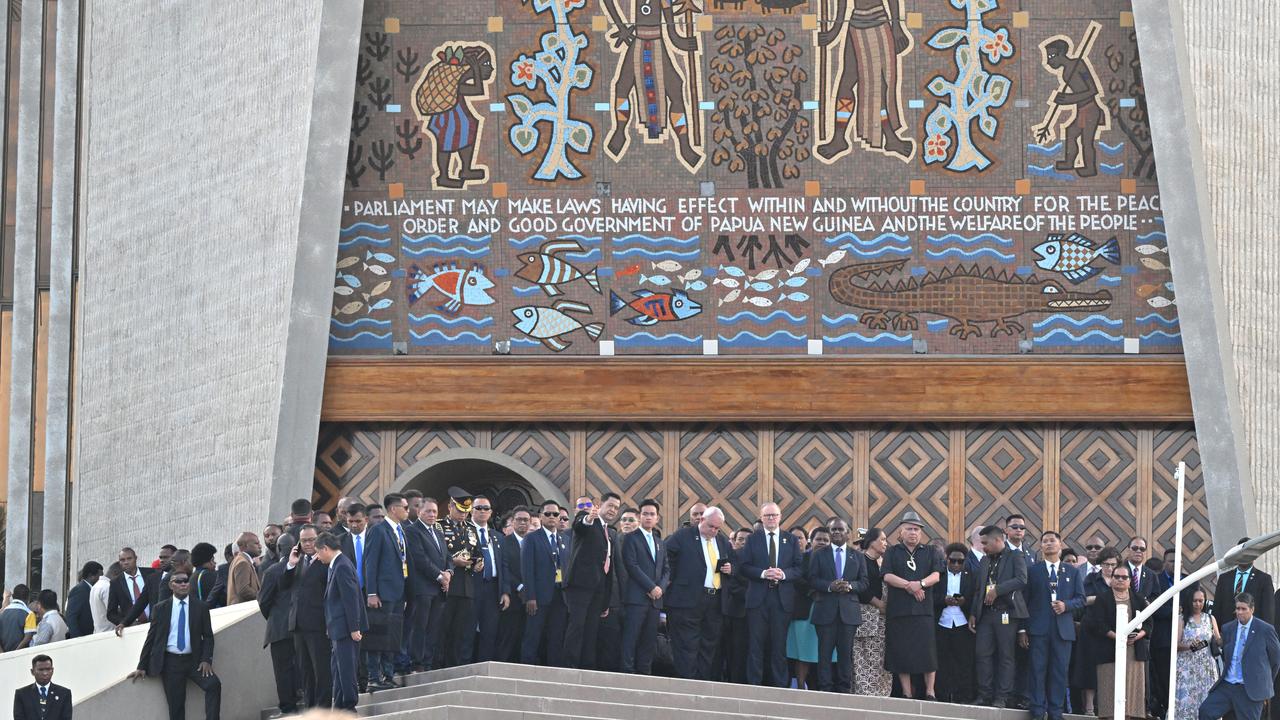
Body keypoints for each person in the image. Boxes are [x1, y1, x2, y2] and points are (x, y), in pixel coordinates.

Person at [127, 572, 221, 720]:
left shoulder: (200, 607)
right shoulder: (160, 608)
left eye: (186, 581)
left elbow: (208, 636)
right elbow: (151, 638)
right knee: (176, 707)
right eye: (179, 581)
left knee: (213, 685)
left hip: (195, 661)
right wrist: (142, 665)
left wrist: (206, 659)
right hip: (171, 663)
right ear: (171, 585)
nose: (183, 584)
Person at [665, 505, 733, 680]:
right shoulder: (682, 536)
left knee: (709, 644)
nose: (714, 531)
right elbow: (666, 560)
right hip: (687, 600)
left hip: (714, 601)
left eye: (717, 528)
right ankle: (687, 682)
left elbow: (734, 562)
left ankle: (702, 682)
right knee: (686, 644)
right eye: (711, 526)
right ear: (702, 519)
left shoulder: (722, 541)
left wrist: (730, 569)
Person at [1024, 531, 1086, 720]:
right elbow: (1025, 601)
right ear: (1041, 546)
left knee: (1059, 672)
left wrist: (1066, 605)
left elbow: (1081, 599)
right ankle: (1037, 710)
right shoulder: (1033, 571)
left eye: (1052, 540)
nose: (1049, 543)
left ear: (1060, 544)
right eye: (1045, 541)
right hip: (1038, 629)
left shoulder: (1072, 571)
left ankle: (1056, 712)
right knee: (1037, 670)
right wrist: (1023, 629)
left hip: (1063, 631)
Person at [741, 502, 803, 687]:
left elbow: (799, 568)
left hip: (781, 599)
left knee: (779, 645)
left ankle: (780, 686)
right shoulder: (753, 539)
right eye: (767, 515)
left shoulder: (790, 539)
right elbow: (744, 566)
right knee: (755, 645)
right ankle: (754, 684)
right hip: (758, 599)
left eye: (774, 515)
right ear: (761, 518)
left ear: (780, 517)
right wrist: (763, 573)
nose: (771, 518)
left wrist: (783, 574)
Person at [884, 511, 943, 700]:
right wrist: (909, 586)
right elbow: (887, 576)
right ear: (901, 532)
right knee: (902, 652)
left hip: (923, 611)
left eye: (916, 529)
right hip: (899, 611)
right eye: (909, 529)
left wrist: (921, 584)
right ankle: (907, 692)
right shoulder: (892, 552)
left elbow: (936, 575)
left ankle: (930, 691)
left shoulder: (931, 551)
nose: (913, 533)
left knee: (927, 652)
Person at [970, 524, 1028, 708]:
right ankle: (984, 695)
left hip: (1006, 613)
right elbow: (978, 589)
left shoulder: (1015, 556)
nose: (983, 547)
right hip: (986, 615)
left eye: (985, 543)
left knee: (1006, 656)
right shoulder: (984, 560)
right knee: (982, 655)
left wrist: (998, 590)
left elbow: (1021, 579)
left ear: (997, 540)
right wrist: (973, 613)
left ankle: (1002, 697)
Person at [1199, 593, 1280, 720]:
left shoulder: (1265, 630)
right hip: (1227, 685)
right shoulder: (1228, 628)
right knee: (1205, 711)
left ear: (1252, 609)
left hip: (1250, 689)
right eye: (1237, 608)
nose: (1240, 612)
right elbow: (1225, 654)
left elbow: (1275, 660)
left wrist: (1263, 684)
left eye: (1243, 609)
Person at [1086, 563, 1151, 720]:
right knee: (1109, 690)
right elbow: (1098, 624)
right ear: (1111, 579)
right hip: (1108, 651)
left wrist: (1138, 636)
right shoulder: (1102, 599)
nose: (1120, 580)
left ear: (1130, 580)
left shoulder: (1139, 599)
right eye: (1117, 577)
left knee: (1132, 693)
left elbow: (1149, 623)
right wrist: (1118, 637)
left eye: (1124, 577)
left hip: (1134, 652)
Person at [810, 518, 868, 694]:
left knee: (845, 653)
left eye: (840, 529)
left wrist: (850, 586)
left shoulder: (857, 556)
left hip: (848, 612)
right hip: (825, 611)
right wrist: (830, 586)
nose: (836, 532)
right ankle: (825, 688)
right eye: (833, 529)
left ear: (847, 533)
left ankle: (844, 689)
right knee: (824, 653)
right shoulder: (819, 554)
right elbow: (812, 579)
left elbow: (864, 582)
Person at [315, 532, 366, 712]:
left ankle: (349, 706)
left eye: (318, 552)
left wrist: (354, 627)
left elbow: (350, 599)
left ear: (325, 549)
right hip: (337, 629)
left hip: (346, 629)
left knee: (346, 669)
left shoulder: (342, 565)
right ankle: (339, 706)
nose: (318, 557)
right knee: (337, 670)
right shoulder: (336, 565)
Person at [363, 493, 409, 689]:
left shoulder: (401, 530)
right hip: (382, 593)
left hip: (398, 592)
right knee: (378, 635)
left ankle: (388, 675)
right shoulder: (378, 530)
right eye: (405, 507)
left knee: (392, 635)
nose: (408, 511)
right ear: (393, 509)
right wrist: (371, 593)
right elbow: (370, 563)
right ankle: (374, 677)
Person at [283, 525, 332, 709]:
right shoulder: (297, 561)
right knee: (305, 670)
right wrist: (290, 565)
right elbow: (283, 586)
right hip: (298, 624)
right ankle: (310, 708)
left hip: (319, 623)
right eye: (304, 541)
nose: (308, 544)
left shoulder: (326, 560)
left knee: (321, 669)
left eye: (312, 539)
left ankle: (323, 708)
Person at [562, 495, 613, 669]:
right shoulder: (584, 519)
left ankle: (587, 665)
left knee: (592, 629)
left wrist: (606, 599)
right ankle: (570, 665)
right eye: (581, 504)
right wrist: (589, 517)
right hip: (580, 584)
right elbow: (580, 526)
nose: (585, 506)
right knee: (577, 625)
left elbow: (608, 564)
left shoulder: (607, 530)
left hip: (598, 587)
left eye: (588, 504)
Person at [621, 498, 668, 674]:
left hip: (655, 601)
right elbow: (631, 565)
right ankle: (627, 672)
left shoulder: (660, 542)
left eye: (652, 514)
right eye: (645, 514)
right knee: (631, 637)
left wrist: (660, 588)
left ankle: (644, 673)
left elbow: (666, 569)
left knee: (649, 640)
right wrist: (651, 587)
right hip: (636, 598)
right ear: (639, 516)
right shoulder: (630, 538)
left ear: (657, 518)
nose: (648, 517)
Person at [521, 498, 570, 666]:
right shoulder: (532, 538)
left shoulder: (565, 539)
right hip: (539, 596)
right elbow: (527, 569)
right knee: (533, 635)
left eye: (555, 514)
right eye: (548, 514)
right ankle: (527, 668)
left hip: (560, 596)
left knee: (557, 636)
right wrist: (530, 596)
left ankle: (554, 669)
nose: (552, 517)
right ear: (541, 516)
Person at [437, 487, 480, 668]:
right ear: (450, 507)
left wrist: (478, 563)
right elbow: (438, 554)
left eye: (466, 511)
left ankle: (454, 665)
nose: (463, 514)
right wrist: (454, 562)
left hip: (466, 586)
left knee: (460, 630)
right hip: (448, 584)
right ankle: (438, 664)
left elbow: (477, 552)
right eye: (460, 510)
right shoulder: (440, 526)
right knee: (442, 628)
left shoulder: (471, 528)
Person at [404, 497, 449, 671]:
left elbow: (447, 557)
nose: (432, 514)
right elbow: (420, 558)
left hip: (439, 589)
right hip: (422, 588)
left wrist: (449, 572)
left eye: (434, 511)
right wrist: (440, 576)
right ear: (418, 512)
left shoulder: (438, 532)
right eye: (428, 511)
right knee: (419, 627)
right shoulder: (412, 531)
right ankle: (416, 663)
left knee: (433, 628)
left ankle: (427, 662)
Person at [258, 533, 299, 716]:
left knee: (283, 670)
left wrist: (275, 618)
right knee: (304, 665)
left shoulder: (271, 571)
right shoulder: (304, 567)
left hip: (279, 629)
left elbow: (263, 602)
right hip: (302, 626)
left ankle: (288, 708)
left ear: (279, 549)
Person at [935, 542, 977, 703]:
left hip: (962, 623)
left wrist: (964, 602)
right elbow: (931, 596)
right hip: (942, 623)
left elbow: (975, 597)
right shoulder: (938, 575)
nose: (956, 564)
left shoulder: (970, 575)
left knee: (964, 661)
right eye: (953, 560)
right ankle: (942, 695)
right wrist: (943, 600)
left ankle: (963, 697)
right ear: (947, 559)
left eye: (960, 561)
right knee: (942, 660)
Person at [854, 527, 892, 696]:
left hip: (883, 620)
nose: (885, 543)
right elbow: (860, 587)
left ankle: (881, 696)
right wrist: (878, 603)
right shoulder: (860, 560)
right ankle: (864, 695)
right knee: (862, 658)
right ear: (871, 542)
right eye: (882, 539)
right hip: (865, 616)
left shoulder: (884, 562)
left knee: (881, 659)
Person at [786, 526, 825, 690]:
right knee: (803, 652)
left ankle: (820, 687)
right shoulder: (802, 559)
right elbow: (796, 578)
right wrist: (813, 590)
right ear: (811, 541)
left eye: (825, 540)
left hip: (826, 611)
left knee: (822, 653)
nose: (822, 542)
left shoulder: (833, 559)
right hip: (805, 610)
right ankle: (801, 687)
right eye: (818, 539)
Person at [1175, 588, 1220, 720]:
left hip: (1206, 667)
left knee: (1207, 700)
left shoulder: (1210, 618)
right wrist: (1189, 646)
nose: (1198, 604)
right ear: (1190, 601)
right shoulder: (1182, 619)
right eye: (1195, 601)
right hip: (1186, 667)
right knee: (1186, 702)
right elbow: (1175, 644)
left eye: (1201, 601)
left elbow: (1218, 639)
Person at [470, 494, 505, 663]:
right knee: (467, 630)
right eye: (478, 508)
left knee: (490, 631)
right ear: (471, 510)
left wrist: (505, 591)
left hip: (493, 588)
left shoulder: (497, 536)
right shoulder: (464, 532)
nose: (482, 511)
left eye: (486, 508)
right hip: (471, 587)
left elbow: (503, 565)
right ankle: (464, 666)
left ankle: (485, 665)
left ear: (491, 512)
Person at [1213, 539, 1275, 630]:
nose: (1244, 556)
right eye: (1241, 553)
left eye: (1248, 553)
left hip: (1252, 633)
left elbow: (1268, 612)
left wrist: (1264, 634)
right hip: (1227, 633)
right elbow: (1217, 609)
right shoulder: (1224, 578)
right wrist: (1217, 633)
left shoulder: (1264, 579)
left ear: (1255, 555)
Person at [596, 493, 627, 672]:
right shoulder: (589, 527)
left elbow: (618, 567)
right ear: (600, 504)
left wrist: (621, 598)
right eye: (610, 506)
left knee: (609, 643)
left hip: (612, 599)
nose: (613, 510)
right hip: (591, 596)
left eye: (616, 508)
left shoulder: (613, 534)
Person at [497, 505, 531, 664]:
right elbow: (504, 568)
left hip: (532, 599)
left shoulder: (533, 541)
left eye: (526, 520)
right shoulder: (504, 542)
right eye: (519, 519)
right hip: (512, 597)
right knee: (508, 636)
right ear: (513, 522)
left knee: (526, 637)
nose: (523, 523)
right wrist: (519, 586)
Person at [720, 527, 752, 683]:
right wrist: (752, 595)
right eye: (740, 539)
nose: (744, 542)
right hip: (735, 612)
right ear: (734, 541)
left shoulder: (758, 558)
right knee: (735, 651)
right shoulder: (730, 558)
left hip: (754, 614)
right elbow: (730, 583)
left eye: (747, 539)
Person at [108, 547, 160, 626]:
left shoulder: (151, 573)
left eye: (129, 559)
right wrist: (126, 623)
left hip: (156, 622)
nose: (126, 562)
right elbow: (111, 613)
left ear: (135, 558)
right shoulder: (115, 583)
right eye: (122, 560)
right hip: (134, 628)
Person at [14, 655, 71, 720]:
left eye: (48, 669)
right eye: (41, 670)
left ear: (52, 670)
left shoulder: (64, 693)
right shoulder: (22, 694)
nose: (45, 673)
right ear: (32, 672)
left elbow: (66, 718)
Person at [67, 561, 103, 638]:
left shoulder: (93, 589)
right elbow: (71, 617)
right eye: (100, 576)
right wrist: (77, 638)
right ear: (91, 576)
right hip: (82, 637)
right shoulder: (79, 590)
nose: (102, 579)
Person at [226, 532, 263, 605]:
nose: (260, 546)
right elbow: (244, 590)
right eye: (256, 543)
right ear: (245, 545)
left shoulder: (240, 560)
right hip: (245, 609)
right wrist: (263, 597)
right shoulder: (243, 562)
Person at [1, 585, 37, 650]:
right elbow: (28, 638)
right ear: (28, 597)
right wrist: (15, 652)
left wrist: (2, 653)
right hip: (20, 654)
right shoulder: (29, 614)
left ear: (13, 596)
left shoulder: (2, 613)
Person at [92, 563, 122, 633]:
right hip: (109, 631)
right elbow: (114, 610)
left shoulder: (96, 586)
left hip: (99, 631)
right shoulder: (108, 587)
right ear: (115, 573)